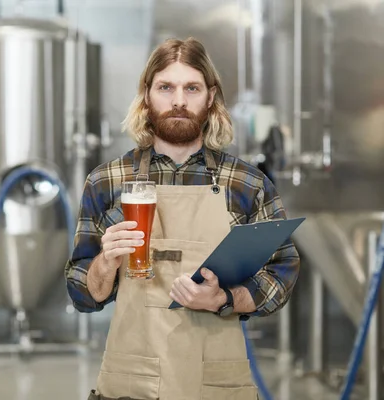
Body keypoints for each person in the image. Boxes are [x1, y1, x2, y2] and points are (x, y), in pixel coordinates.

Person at [64, 37, 300, 400]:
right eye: (165, 87)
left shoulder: (248, 184)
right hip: (133, 384)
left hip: (217, 384)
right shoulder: (107, 181)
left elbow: (283, 271)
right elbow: (82, 293)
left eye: (191, 88)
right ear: (147, 94)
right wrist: (105, 262)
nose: (178, 101)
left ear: (210, 96)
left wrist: (224, 298)